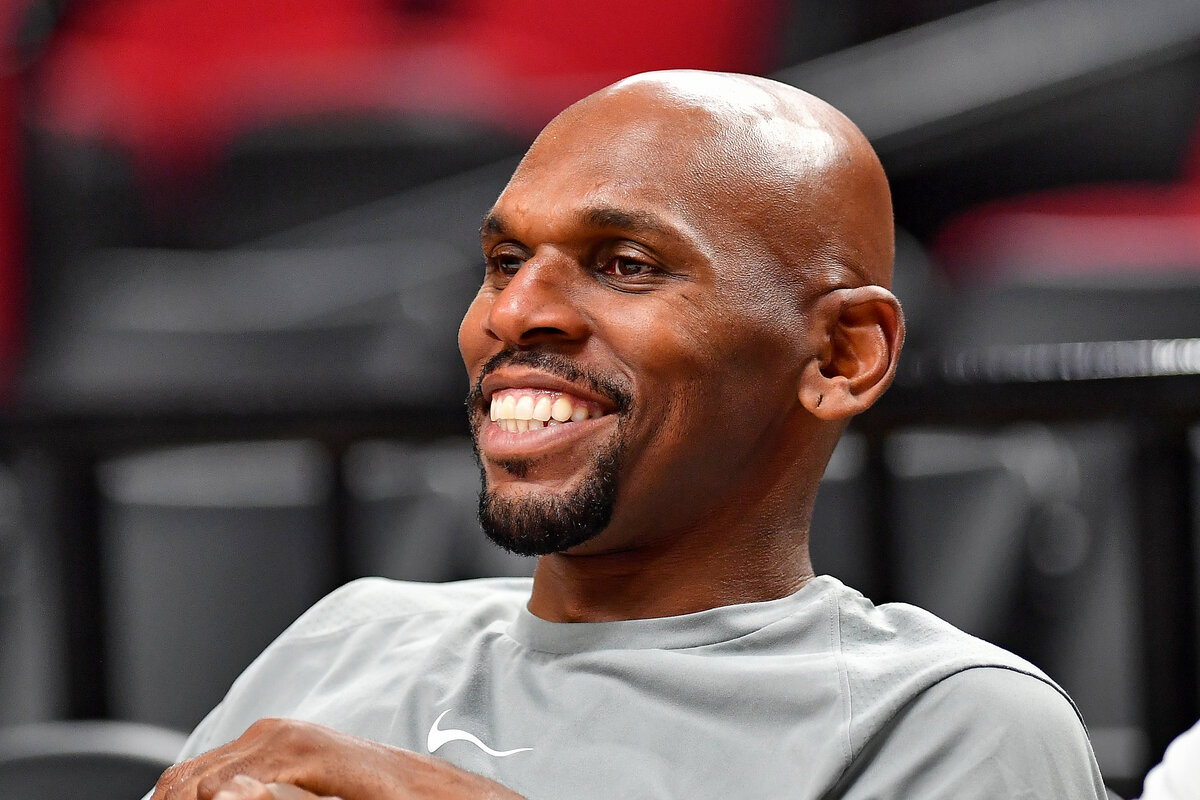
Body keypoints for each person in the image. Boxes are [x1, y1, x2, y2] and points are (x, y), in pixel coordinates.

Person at [149, 70, 1108, 799]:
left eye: (626, 264)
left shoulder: (947, 721)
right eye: (505, 259)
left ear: (842, 355)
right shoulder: (346, 640)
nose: (517, 311)